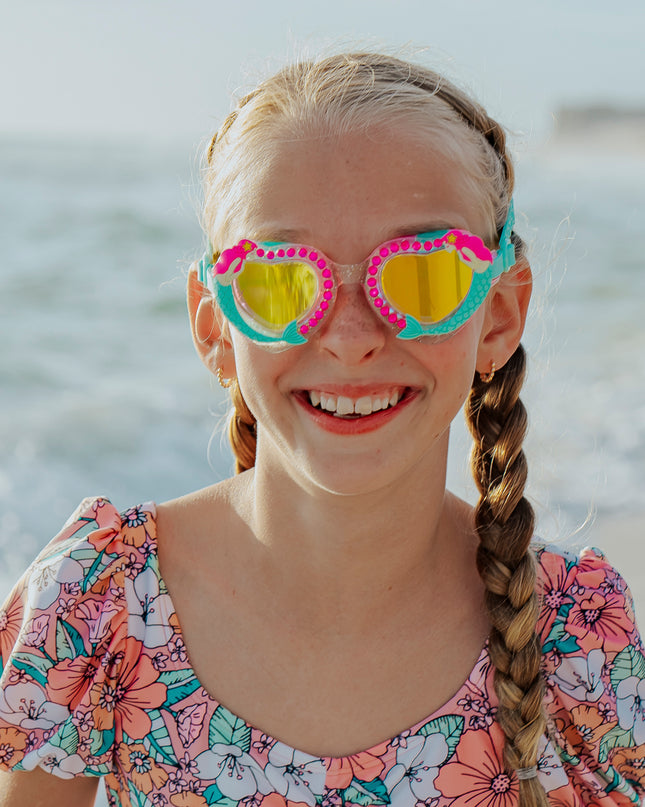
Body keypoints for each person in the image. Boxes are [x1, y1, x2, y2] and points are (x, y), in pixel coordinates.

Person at [0, 52, 643, 807]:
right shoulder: (97, 606)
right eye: (281, 280)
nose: (347, 338)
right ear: (215, 326)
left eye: (420, 273)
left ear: (497, 314)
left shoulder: (576, 631)